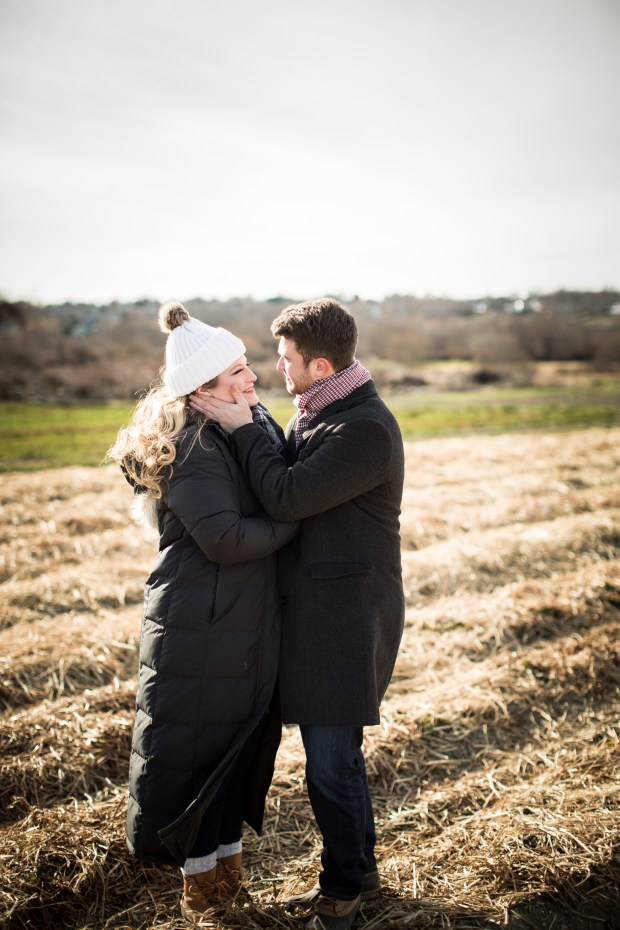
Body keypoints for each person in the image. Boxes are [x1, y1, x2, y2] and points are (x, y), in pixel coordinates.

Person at [190, 297, 405, 930]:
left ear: (317, 363)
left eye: (284, 360)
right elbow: (286, 472)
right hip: (315, 614)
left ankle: (342, 891)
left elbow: (285, 496)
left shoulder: (362, 428)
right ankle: (360, 870)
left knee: (330, 764)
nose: (276, 370)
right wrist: (254, 417)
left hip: (345, 619)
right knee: (336, 759)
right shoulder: (320, 412)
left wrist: (241, 427)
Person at [108, 301, 297, 925]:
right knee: (200, 763)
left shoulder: (246, 423)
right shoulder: (192, 445)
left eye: (247, 366)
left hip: (236, 621)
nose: (251, 378)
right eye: (237, 371)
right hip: (202, 626)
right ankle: (206, 898)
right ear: (202, 390)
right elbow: (226, 539)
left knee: (234, 753)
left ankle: (228, 881)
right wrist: (293, 520)